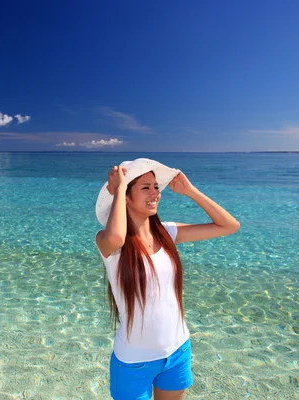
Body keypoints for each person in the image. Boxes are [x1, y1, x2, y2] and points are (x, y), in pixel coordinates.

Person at [95, 158, 240, 400]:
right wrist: (119, 189)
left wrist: (191, 191)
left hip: (177, 351)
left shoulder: (167, 233)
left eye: (156, 187)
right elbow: (118, 236)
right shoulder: (108, 242)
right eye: (145, 187)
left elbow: (229, 225)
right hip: (134, 362)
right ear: (126, 198)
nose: (155, 193)